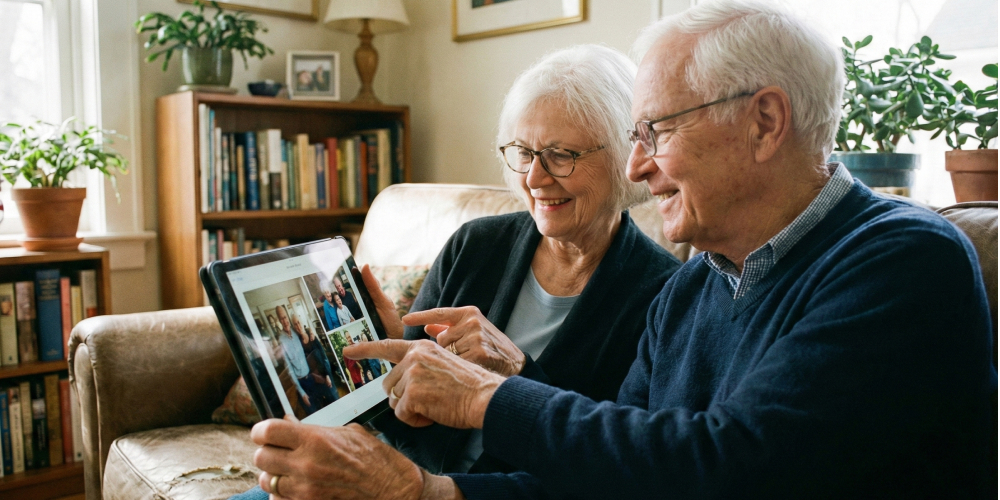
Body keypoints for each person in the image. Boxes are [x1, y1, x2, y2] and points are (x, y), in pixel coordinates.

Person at [341, 1, 997, 498]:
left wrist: (487, 396)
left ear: (764, 123)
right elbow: (609, 474)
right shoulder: (691, 289)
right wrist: (425, 490)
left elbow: (738, 465)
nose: (634, 169)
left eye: (655, 131)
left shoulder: (904, 259)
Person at [238, 44, 682, 500]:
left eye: (561, 154)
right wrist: (383, 363)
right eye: (524, 152)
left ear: (626, 157)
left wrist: (514, 375)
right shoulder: (476, 245)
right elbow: (408, 426)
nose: (534, 178)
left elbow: (608, 466)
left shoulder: (663, 295)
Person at [273, 305, 317, 415]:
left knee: (320, 405)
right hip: (301, 383)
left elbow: (306, 326)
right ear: (279, 321)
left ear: (288, 317)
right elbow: (289, 369)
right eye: (281, 319)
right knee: (312, 413)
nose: (285, 321)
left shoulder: (296, 331)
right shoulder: (281, 340)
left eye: (285, 317)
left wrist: (311, 331)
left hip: (311, 377)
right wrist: (301, 392)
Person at [290, 313, 339, 407]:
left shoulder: (312, 336)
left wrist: (327, 375)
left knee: (334, 398)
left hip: (324, 374)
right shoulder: (297, 342)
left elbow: (324, 357)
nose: (298, 326)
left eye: (298, 322)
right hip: (314, 380)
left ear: (302, 322)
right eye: (295, 324)